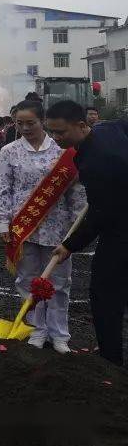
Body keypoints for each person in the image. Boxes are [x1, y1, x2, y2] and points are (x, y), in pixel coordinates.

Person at [0, 100, 85, 354]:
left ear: (42, 121)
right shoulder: (10, 151)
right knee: (27, 280)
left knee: (59, 282)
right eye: (19, 123)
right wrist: (2, 221)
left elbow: (76, 192)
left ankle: (59, 334)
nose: (24, 128)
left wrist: (78, 226)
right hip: (23, 227)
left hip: (58, 227)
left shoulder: (61, 151)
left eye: (30, 123)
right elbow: (2, 188)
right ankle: (35, 329)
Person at [48, 101, 128, 365]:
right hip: (118, 212)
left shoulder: (98, 161)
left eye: (61, 133)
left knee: (105, 291)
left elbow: (98, 215)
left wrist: (69, 244)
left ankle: (110, 359)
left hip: (121, 228)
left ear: (82, 126)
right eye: (52, 132)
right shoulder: (108, 129)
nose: (56, 139)